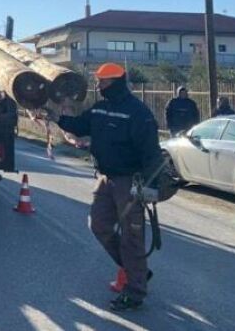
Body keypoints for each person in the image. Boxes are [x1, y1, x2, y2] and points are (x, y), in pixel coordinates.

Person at [46, 63, 162, 312]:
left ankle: (135, 291)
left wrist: (149, 187)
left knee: (132, 237)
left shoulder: (138, 113)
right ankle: (137, 270)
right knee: (98, 224)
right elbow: (78, 125)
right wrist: (55, 117)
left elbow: (152, 153)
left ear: (115, 82)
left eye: (102, 82)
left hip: (130, 182)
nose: (98, 86)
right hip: (105, 178)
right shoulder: (100, 109)